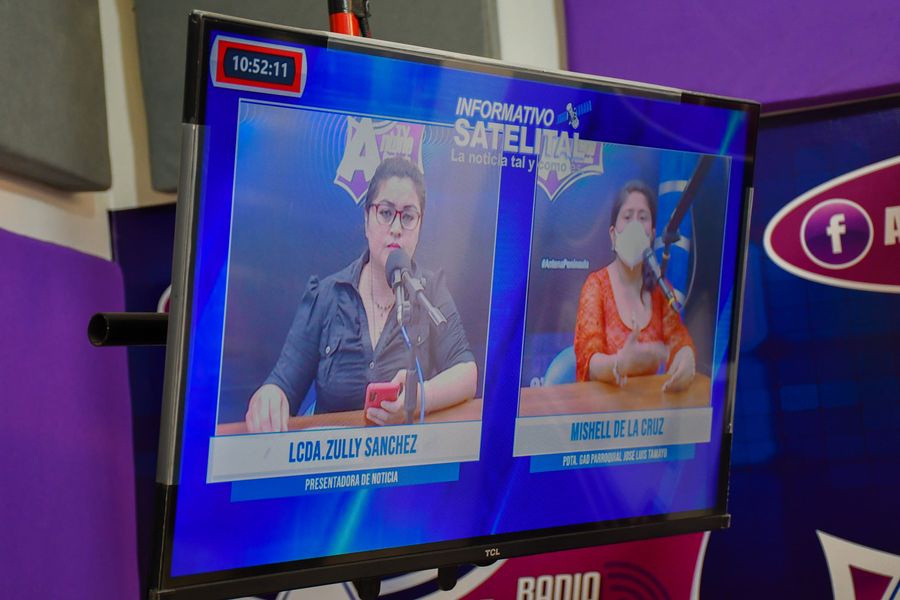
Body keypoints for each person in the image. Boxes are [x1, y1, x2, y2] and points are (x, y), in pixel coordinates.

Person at [245, 157, 477, 432]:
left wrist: (417, 399)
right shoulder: (327, 296)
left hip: (404, 454)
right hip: (334, 455)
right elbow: (283, 383)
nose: (396, 228)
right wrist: (271, 395)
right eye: (385, 212)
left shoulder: (430, 292)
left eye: (408, 217)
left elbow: (466, 374)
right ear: (367, 221)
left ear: (420, 227)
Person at [574, 181, 696, 392]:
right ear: (613, 234)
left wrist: (686, 357)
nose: (635, 226)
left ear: (652, 234)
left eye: (642, 218)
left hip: (648, 406)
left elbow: (679, 340)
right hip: (602, 407)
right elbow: (588, 362)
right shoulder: (596, 286)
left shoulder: (660, 288)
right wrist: (620, 363)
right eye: (627, 217)